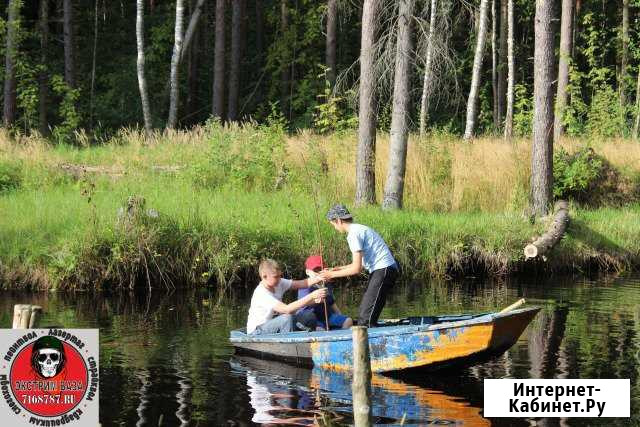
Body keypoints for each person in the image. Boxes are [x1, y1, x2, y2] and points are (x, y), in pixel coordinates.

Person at [319, 204, 400, 327]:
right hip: (385, 269)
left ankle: (367, 339)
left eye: (333, 224)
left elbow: (356, 269)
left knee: (365, 319)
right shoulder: (359, 229)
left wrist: (331, 274)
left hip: (383, 269)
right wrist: (337, 269)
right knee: (365, 312)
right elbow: (359, 264)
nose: (335, 228)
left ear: (339, 220)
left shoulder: (353, 234)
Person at [247, 258, 327, 335]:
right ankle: (289, 345)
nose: (279, 279)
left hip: (275, 324)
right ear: (264, 276)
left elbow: (303, 283)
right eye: (276, 277)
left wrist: (319, 278)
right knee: (286, 319)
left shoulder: (279, 282)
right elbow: (287, 309)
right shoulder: (262, 293)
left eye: (279, 275)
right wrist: (312, 296)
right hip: (257, 331)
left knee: (309, 315)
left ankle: (308, 339)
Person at [297, 255, 353, 331]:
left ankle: (340, 337)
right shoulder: (305, 286)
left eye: (320, 270)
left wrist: (340, 315)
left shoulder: (326, 284)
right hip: (313, 319)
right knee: (320, 330)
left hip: (328, 317)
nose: (318, 273)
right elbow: (303, 304)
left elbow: (332, 303)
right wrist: (317, 299)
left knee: (348, 321)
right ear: (307, 272)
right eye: (315, 271)